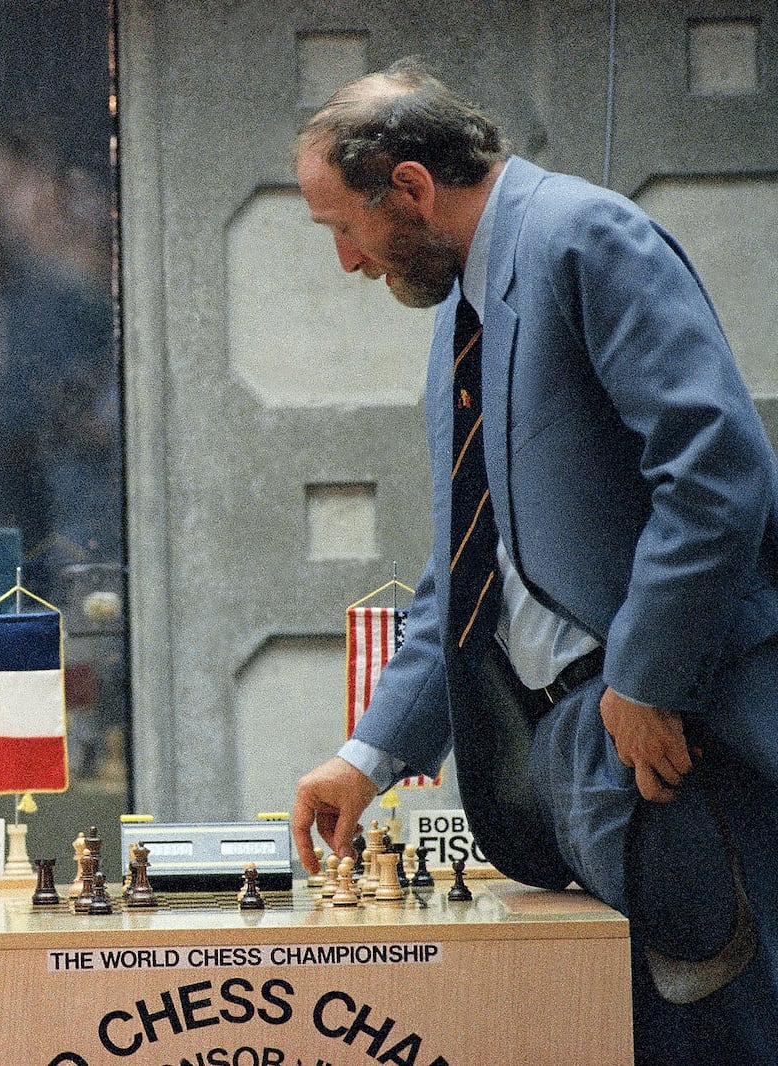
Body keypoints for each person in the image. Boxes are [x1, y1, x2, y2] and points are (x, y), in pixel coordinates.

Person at [287, 59, 778, 1062]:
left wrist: (645, 674)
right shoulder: (462, 313)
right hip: (590, 769)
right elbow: (470, 572)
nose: (344, 260)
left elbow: (719, 473)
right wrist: (367, 755)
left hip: (685, 747)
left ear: (412, 186)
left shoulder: (583, 239)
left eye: (342, 226)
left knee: (718, 1036)